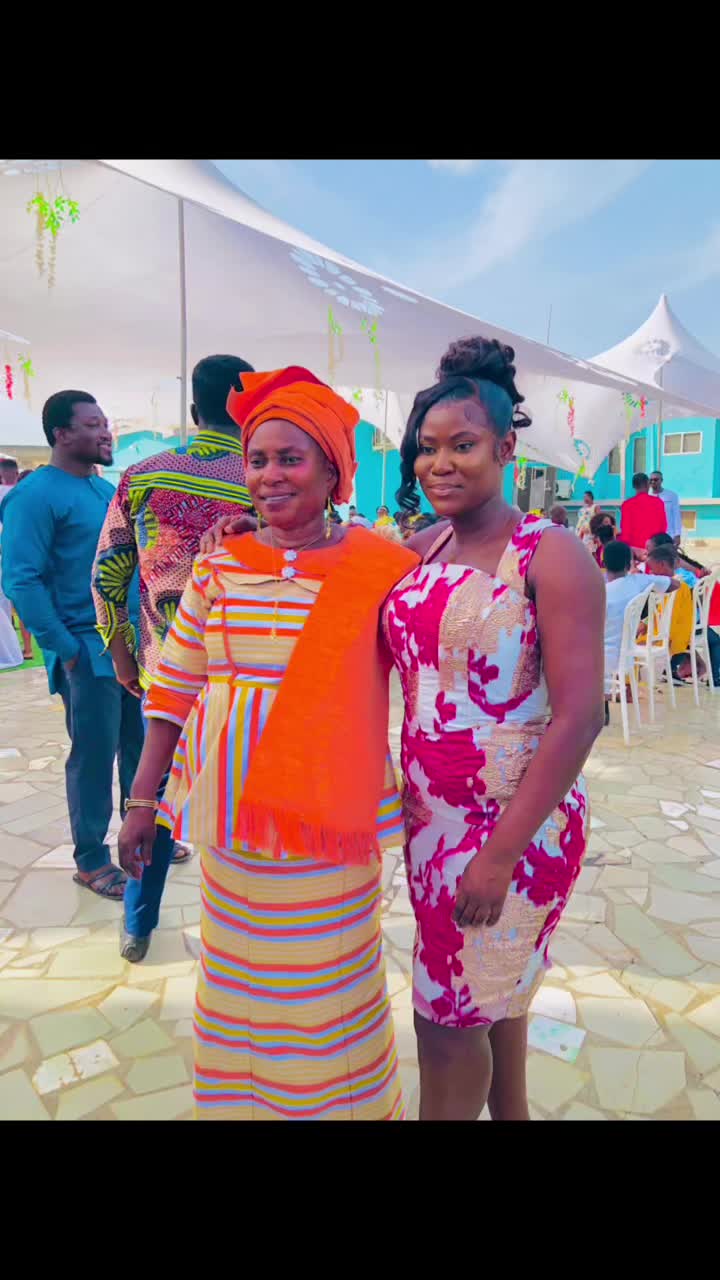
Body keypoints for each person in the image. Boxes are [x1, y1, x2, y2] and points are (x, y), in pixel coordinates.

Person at [117, 366, 418, 1121]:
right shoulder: (220, 566)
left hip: (330, 817)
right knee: (239, 973)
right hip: (232, 814)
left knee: (328, 975)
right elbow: (171, 691)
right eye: (257, 459)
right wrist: (142, 801)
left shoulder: (385, 571)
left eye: (291, 458)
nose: (270, 475)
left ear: (333, 470)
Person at [384, 336, 605, 1121]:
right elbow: (333, 584)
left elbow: (581, 715)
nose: (439, 464)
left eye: (463, 446)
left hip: (510, 830)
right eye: (427, 448)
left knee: (445, 1026)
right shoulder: (422, 549)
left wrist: (499, 854)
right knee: (491, 998)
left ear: (507, 448)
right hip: (431, 825)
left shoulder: (549, 555)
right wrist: (252, 537)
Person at [92, 354, 256, 961]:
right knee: (247, 800)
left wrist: (122, 657)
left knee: (152, 797)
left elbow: (108, 575)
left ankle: (138, 924)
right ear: (250, 410)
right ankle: (246, 934)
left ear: (194, 410)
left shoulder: (143, 475)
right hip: (252, 677)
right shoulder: (270, 479)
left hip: (166, 672)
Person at [1, 391, 144, 899]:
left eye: (105, 422)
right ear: (61, 434)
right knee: (94, 754)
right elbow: (21, 578)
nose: (105, 431)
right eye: (92, 424)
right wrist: (64, 647)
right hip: (85, 647)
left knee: (140, 745)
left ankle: (142, 837)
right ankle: (91, 859)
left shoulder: (105, 490)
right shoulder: (34, 495)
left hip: (131, 644)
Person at [602, 539, 678, 723]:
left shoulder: (600, 591)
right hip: (627, 656)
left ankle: (597, 705)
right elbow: (675, 584)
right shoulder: (639, 581)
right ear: (629, 563)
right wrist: (648, 586)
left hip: (601, 660)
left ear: (604, 563)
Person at [645, 542, 719, 687]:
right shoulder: (687, 578)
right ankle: (715, 677)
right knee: (715, 641)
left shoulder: (656, 582)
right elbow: (699, 599)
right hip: (686, 624)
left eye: (652, 568)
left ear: (661, 564)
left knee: (685, 637)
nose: (651, 572)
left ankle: (675, 669)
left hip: (662, 626)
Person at [618, 472, 667, 556]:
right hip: (655, 550)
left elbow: (625, 530)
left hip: (635, 552)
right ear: (648, 484)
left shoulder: (627, 505)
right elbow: (663, 527)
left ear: (634, 486)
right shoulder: (658, 502)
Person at [649, 470, 681, 546]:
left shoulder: (672, 495)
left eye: (656, 479)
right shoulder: (647, 496)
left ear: (661, 480)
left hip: (668, 535)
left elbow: (676, 516)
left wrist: (677, 534)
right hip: (651, 537)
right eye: (651, 480)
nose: (653, 482)